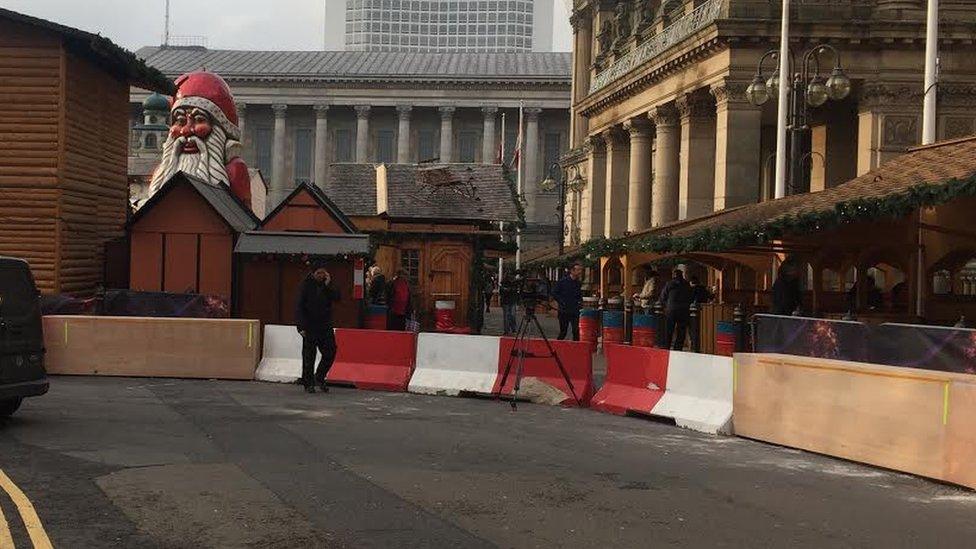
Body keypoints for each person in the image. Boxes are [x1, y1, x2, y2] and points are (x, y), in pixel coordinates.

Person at [144, 71, 252, 208]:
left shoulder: (235, 170)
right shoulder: (163, 171)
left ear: (219, 128)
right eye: (180, 121)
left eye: (199, 120)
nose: (186, 131)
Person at [295, 263, 340, 394]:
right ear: (313, 273)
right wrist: (300, 326)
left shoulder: (327, 285)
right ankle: (308, 383)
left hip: (325, 325)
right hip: (309, 325)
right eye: (319, 273)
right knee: (309, 356)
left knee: (330, 351)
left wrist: (327, 285)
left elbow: (337, 297)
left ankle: (319, 376)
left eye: (323, 273)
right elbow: (299, 306)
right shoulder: (306, 285)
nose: (321, 276)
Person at [659, 269, 692, 350]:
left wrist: (665, 304)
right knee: (681, 330)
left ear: (674, 275)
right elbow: (691, 296)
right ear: (682, 275)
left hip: (671, 309)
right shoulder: (686, 284)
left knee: (669, 329)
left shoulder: (669, 284)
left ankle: (667, 346)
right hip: (684, 309)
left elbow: (663, 296)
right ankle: (678, 347)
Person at [551, 262, 584, 341]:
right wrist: (561, 301)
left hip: (575, 310)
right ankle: (558, 346)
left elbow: (579, 295)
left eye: (580, 270)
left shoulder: (578, 283)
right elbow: (554, 292)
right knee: (563, 331)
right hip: (564, 310)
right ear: (572, 271)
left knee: (576, 331)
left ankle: (576, 348)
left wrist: (580, 302)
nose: (579, 272)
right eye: (578, 270)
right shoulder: (563, 282)